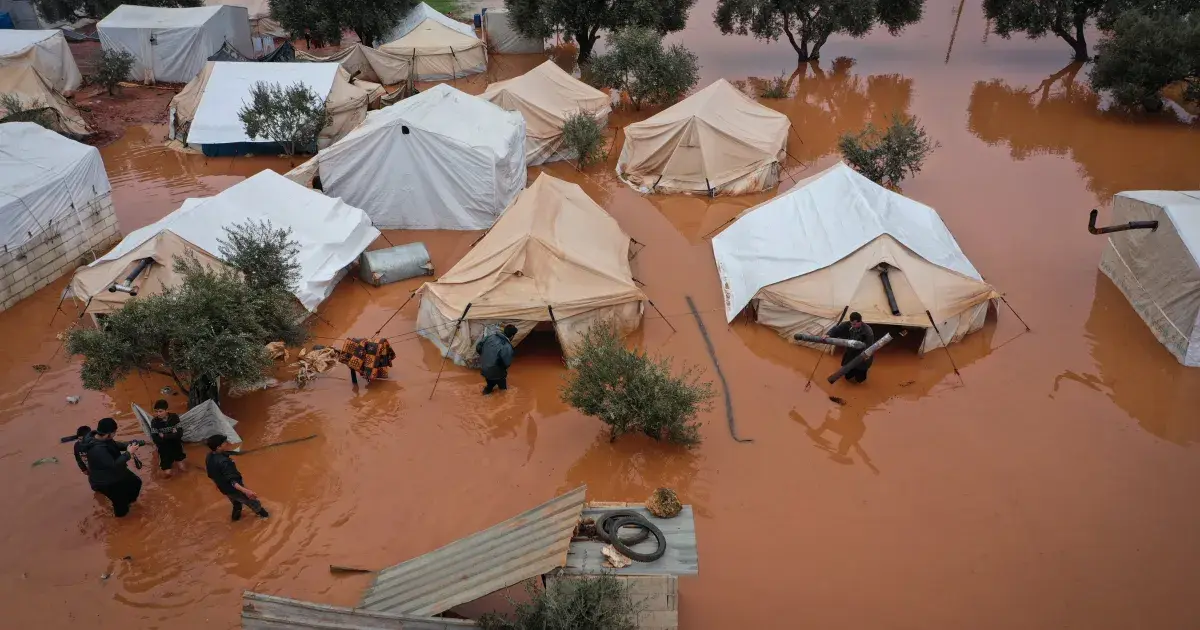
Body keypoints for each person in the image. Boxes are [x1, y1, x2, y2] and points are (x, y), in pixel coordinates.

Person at [85, 417, 143, 517]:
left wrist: (137, 443)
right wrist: (128, 453)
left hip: (116, 473)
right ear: (108, 434)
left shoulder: (104, 438)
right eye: (114, 432)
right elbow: (113, 465)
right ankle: (121, 522)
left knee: (136, 482)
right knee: (121, 507)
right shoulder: (97, 450)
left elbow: (116, 445)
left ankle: (130, 502)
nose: (115, 434)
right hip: (106, 481)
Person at [205, 434, 269, 521]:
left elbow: (210, 474)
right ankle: (266, 517)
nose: (227, 443)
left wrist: (217, 484)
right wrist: (246, 491)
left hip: (224, 489)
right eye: (224, 442)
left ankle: (235, 520)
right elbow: (233, 481)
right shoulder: (225, 462)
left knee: (236, 504)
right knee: (254, 503)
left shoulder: (209, 457)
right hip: (235, 489)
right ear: (218, 447)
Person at [828, 312, 876, 384]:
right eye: (852, 324)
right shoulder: (847, 325)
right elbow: (836, 329)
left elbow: (870, 346)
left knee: (860, 379)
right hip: (850, 353)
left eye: (855, 324)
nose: (853, 326)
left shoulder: (868, 331)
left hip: (862, 355)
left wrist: (866, 355)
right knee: (848, 376)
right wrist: (828, 334)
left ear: (860, 322)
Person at [476, 324, 517, 395]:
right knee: (503, 390)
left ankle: (485, 394)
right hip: (496, 373)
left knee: (489, 385)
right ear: (512, 336)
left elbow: (478, 347)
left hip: (484, 368)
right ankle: (501, 399)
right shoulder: (507, 346)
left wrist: (485, 357)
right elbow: (507, 363)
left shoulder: (490, 337)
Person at [150, 399, 186, 477]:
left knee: (183, 469)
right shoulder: (154, 422)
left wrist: (164, 436)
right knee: (167, 474)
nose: (158, 414)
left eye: (160, 411)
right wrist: (173, 434)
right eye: (156, 411)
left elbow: (180, 434)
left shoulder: (174, 417)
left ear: (167, 410)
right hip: (164, 449)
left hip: (176, 446)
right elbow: (155, 439)